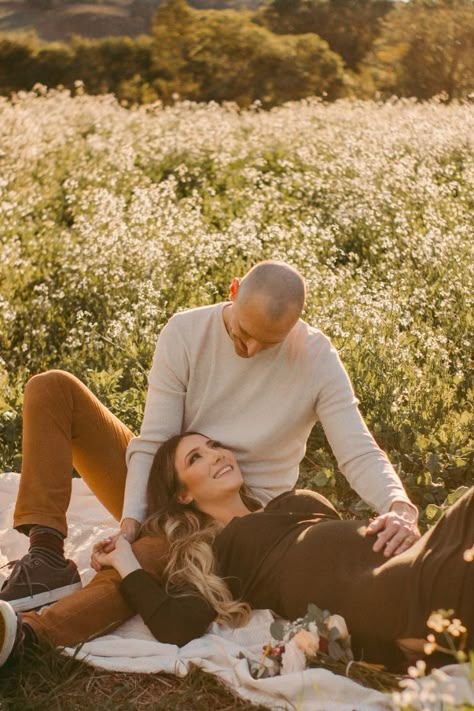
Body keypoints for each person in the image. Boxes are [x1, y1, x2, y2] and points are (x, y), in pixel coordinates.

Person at [1, 261, 419, 614]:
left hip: (226, 527)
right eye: (243, 332)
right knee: (51, 387)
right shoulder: (185, 332)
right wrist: (131, 521)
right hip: (175, 481)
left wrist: (399, 506)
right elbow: (156, 438)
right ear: (233, 290)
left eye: (267, 343)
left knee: (140, 565)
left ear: (294, 327)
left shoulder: (316, 358)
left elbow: (357, 448)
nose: (251, 349)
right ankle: (46, 556)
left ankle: (32, 635)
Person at [1, 433, 472, 671]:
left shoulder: (289, 502)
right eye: (196, 459)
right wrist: (126, 563)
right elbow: (176, 625)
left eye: (213, 446)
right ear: (183, 494)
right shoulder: (213, 552)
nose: (217, 455)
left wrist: (397, 523)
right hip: (396, 590)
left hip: (416, 556)